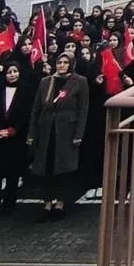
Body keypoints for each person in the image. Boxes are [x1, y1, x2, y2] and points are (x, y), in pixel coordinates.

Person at [28, 52, 88, 221]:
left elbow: (83, 109)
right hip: (46, 130)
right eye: (59, 62)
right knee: (45, 167)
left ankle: (60, 203)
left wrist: (79, 134)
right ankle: (47, 203)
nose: (61, 65)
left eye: (65, 62)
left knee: (63, 169)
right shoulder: (46, 81)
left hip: (66, 131)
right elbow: (36, 109)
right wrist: (32, 133)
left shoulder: (79, 82)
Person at [0, 61, 35, 219]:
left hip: (15, 139)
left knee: (13, 174)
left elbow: (27, 114)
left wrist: (13, 130)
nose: (12, 75)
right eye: (9, 72)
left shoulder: (26, 91)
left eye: (15, 71)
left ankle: (9, 205)